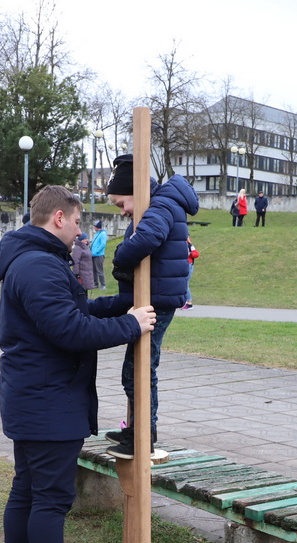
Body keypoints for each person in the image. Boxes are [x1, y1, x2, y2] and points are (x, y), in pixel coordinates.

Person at [0, 184, 155, 543]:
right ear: (59, 218)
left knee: (27, 493)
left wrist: (122, 305)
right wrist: (130, 325)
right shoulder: (39, 265)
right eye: (79, 222)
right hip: (48, 402)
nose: (81, 232)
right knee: (47, 501)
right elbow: (69, 330)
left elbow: (75, 309)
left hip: (36, 398)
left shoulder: (33, 260)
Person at [105, 153, 198, 458]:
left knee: (140, 370)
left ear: (136, 191)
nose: (123, 211)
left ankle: (143, 435)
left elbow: (146, 240)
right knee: (138, 369)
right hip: (154, 298)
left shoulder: (160, 206)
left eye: (122, 204)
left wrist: (120, 258)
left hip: (156, 302)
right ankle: (138, 430)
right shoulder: (160, 205)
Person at [182, 237, 199, 310]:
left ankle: (189, 302)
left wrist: (190, 253)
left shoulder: (189, 244)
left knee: (185, 283)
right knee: (182, 283)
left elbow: (196, 254)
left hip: (188, 264)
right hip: (182, 264)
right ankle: (184, 301)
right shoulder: (180, 243)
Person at [90, 220, 107, 289]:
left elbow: (103, 244)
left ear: (97, 226)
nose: (94, 227)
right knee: (94, 270)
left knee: (99, 270)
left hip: (99, 255)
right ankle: (95, 284)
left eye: (94, 226)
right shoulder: (97, 233)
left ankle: (103, 285)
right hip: (93, 255)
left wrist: (97, 251)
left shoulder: (103, 234)